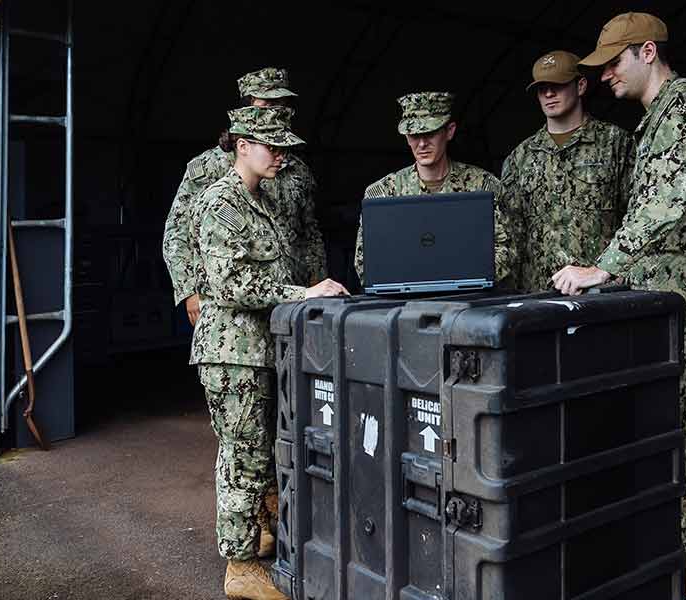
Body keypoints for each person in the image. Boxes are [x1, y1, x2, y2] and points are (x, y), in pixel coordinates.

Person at [559, 12, 686, 600]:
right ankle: (673, 552)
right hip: (664, 293)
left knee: (674, 418)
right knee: (672, 417)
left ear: (647, 52)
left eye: (614, 62)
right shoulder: (656, 117)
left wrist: (605, 267)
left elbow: (667, 199)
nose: (605, 75)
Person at [193, 105, 348, 600]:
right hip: (232, 353)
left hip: (259, 350)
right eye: (271, 145)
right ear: (242, 145)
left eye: (283, 146)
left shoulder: (260, 201)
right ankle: (239, 567)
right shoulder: (221, 203)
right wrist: (304, 294)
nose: (281, 155)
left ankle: (256, 540)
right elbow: (232, 283)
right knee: (242, 457)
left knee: (260, 454)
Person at [162, 68, 324, 328]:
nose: (276, 110)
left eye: (282, 104)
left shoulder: (297, 169)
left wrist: (316, 282)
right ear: (247, 107)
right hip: (234, 305)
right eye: (267, 103)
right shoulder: (210, 167)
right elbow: (178, 230)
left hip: (289, 296)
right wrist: (189, 290)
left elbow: (309, 232)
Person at [500, 50, 632, 292]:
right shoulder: (520, 158)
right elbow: (511, 237)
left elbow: (635, 219)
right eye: (542, 88)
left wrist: (617, 275)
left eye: (558, 85)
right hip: (539, 296)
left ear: (580, 86)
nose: (549, 94)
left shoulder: (616, 144)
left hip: (601, 294)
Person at [353, 92, 516, 286]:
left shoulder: (484, 186)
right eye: (414, 135)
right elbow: (366, 263)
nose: (422, 144)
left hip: (468, 299)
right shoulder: (382, 193)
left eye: (430, 133)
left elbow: (506, 251)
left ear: (449, 131)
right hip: (404, 301)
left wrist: (458, 281)